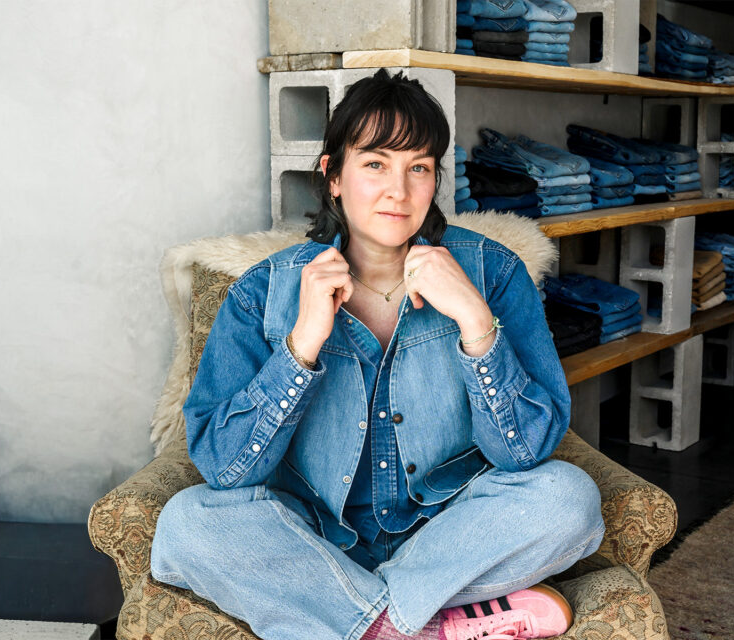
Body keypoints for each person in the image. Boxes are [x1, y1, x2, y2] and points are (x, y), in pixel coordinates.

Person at [150, 69, 604, 640]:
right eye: (375, 164)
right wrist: (301, 345)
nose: (399, 190)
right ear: (332, 175)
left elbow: (526, 452)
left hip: (452, 534)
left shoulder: (493, 272)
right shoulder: (264, 291)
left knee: (569, 499)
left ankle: (354, 619)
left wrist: (475, 321)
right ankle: (425, 625)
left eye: (418, 167)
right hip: (310, 537)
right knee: (189, 524)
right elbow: (224, 467)